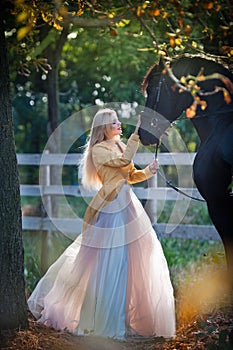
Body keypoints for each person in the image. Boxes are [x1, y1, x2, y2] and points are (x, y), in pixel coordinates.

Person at [28, 108, 176, 340]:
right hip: (112, 206)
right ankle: (103, 321)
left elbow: (130, 174)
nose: (119, 125)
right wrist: (137, 134)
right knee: (113, 259)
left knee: (132, 259)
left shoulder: (119, 145)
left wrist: (148, 171)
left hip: (128, 204)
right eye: (114, 123)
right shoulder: (98, 150)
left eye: (118, 121)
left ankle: (123, 318)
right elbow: (124, 161)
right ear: (103, 128)